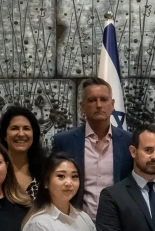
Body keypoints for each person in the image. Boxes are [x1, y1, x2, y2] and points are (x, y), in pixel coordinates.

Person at [51, 77, 134, 220]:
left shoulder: (129, 141)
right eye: (92, 100)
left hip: (118, 224)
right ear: (82, 106)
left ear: (113, 104)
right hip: (75, 223)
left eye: (104, 99)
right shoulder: (64, 141)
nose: (99, 105)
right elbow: (54, 183)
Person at [0, 106, 44, 200]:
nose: (21, 134)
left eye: (26, 128)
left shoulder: (46, 170)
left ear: (34, 135)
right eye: (14, 128)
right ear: (4, 136)